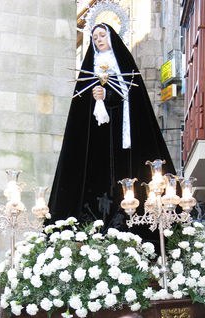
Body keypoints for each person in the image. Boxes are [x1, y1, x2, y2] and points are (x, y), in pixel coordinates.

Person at [48, 23, 175, 229]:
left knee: (125, 176)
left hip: (122, 136)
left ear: (112, 38)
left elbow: (135, 98)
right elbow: (79, 113)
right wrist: (95, 99)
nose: (98, 39)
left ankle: (130, 220)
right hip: (94, 137)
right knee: (92, 177)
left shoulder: (125, 65)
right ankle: (88, 222)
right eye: (95, 37)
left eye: (102, 35)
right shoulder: (88, 68)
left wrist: (109, 95)